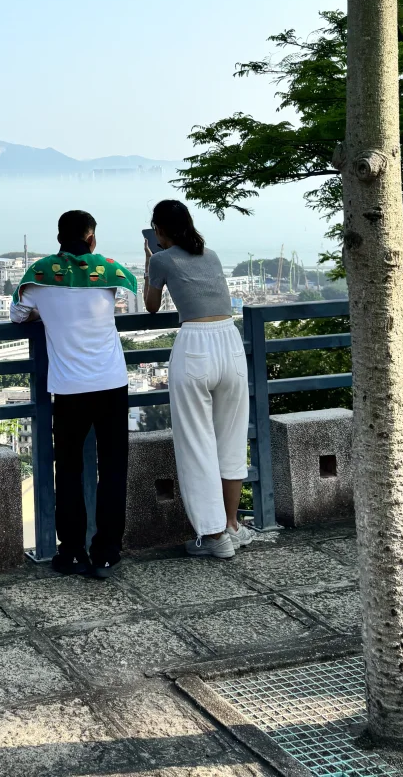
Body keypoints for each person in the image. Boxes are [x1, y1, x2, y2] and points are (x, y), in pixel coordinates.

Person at [12, 209, 136, 576]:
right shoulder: (110, 272)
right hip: (112, 382)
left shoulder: (39, 275)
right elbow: (131, 298)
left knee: (68, 470)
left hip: (68, 388)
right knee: (112, 469)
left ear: (58, 237)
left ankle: (71, 552)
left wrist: (43, 315)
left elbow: (18, 316)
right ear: (91, 237)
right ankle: (107, 552)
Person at [144, 198, 251, 560]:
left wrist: (149, 264)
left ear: (158, 230)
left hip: (195, 346)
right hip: (230, 341)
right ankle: (233, 525)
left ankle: (215, 534)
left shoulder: (160, 259)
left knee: (196, 445)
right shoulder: (213, 255)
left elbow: (152, 305)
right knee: (231, 441)